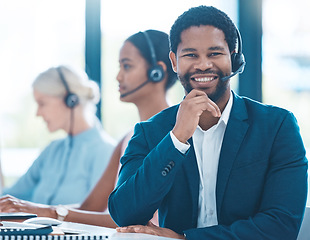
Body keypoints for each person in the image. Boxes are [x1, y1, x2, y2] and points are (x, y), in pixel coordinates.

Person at [108, 5, 308, 240]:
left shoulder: (277, 126)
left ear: (233, 58)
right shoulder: (150, 131)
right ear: (174, 62)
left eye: (214, 53)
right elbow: (124, 213)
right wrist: (176, 139)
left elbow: (281, 226)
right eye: (191, 55)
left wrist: (185, 238)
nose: (203, 64)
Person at [0, 30, 177, 228]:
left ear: (157, 72)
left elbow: (126, 218)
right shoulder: (127, 139)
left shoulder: (176, 135)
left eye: (127, 66)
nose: (118, 76)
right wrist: (34, 212)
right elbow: (91, 207)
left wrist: (49, 212)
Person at [0, 65, 115, 206]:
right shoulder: (52, 151)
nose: (38, 113)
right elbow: (10, 197)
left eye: (42, 103)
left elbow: (97, 211)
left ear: (70, 100)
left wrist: (42, 211)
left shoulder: (106, 152)